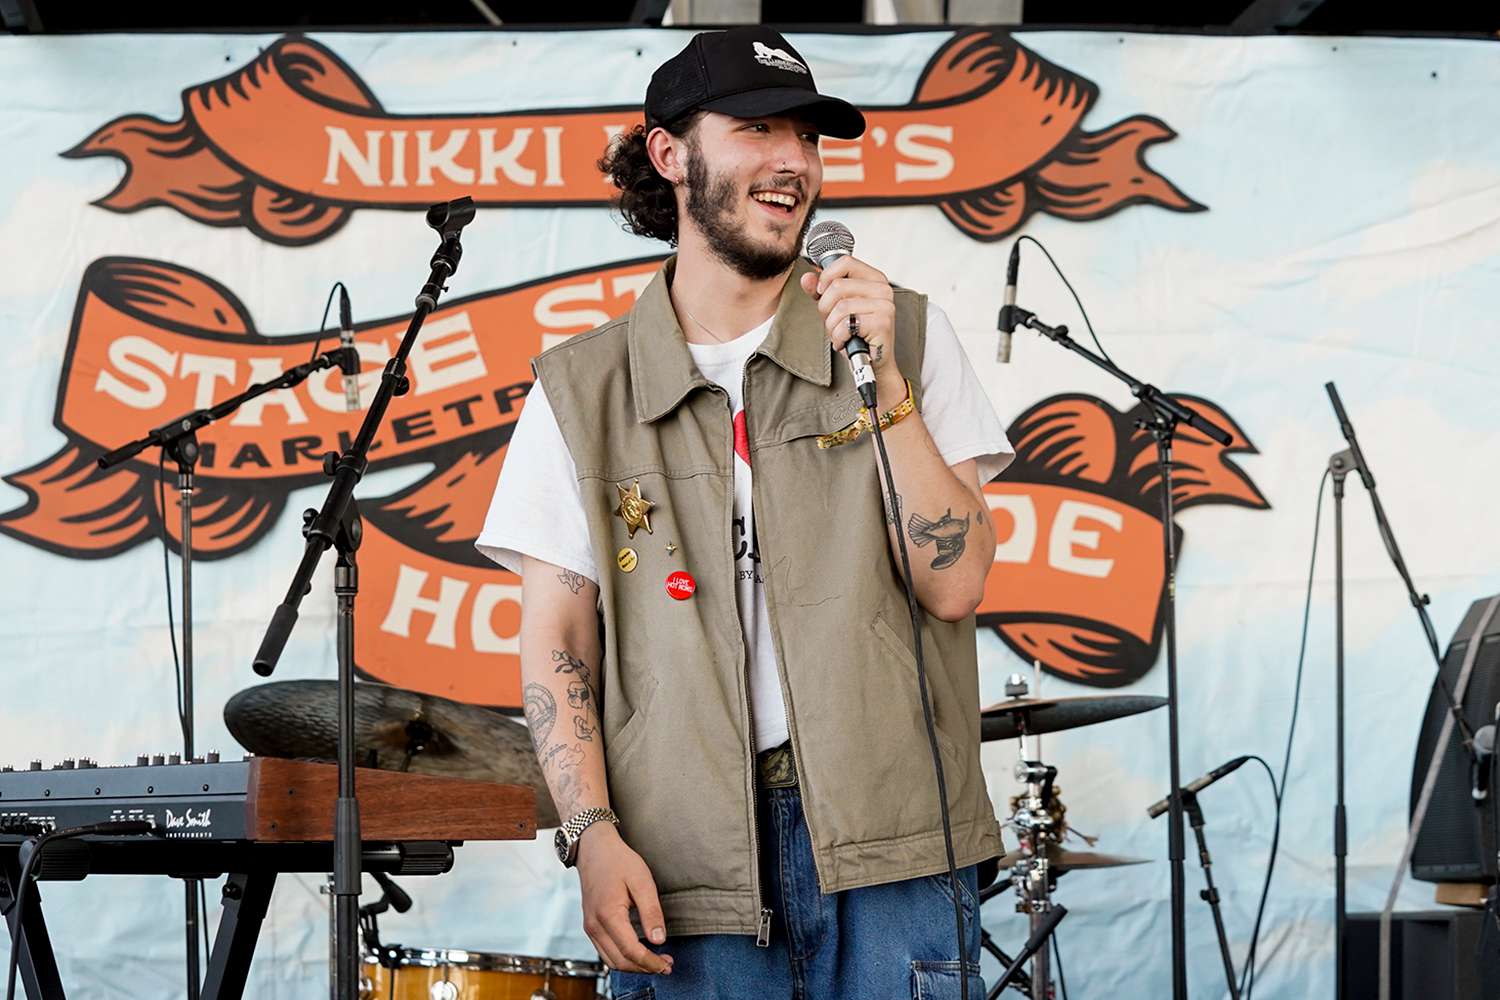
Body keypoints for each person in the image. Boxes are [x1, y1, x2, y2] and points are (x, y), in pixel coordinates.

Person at [477, 25, 1013, 999]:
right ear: (670, 154)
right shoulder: (581, 389)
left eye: (808, 136)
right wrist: (591, 834)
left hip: (896, 854)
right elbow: (557, 638)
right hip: (684, 869)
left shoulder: (906, 336)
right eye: (758, 128)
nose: (793, 160)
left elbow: (958, 581)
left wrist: (882, 382)